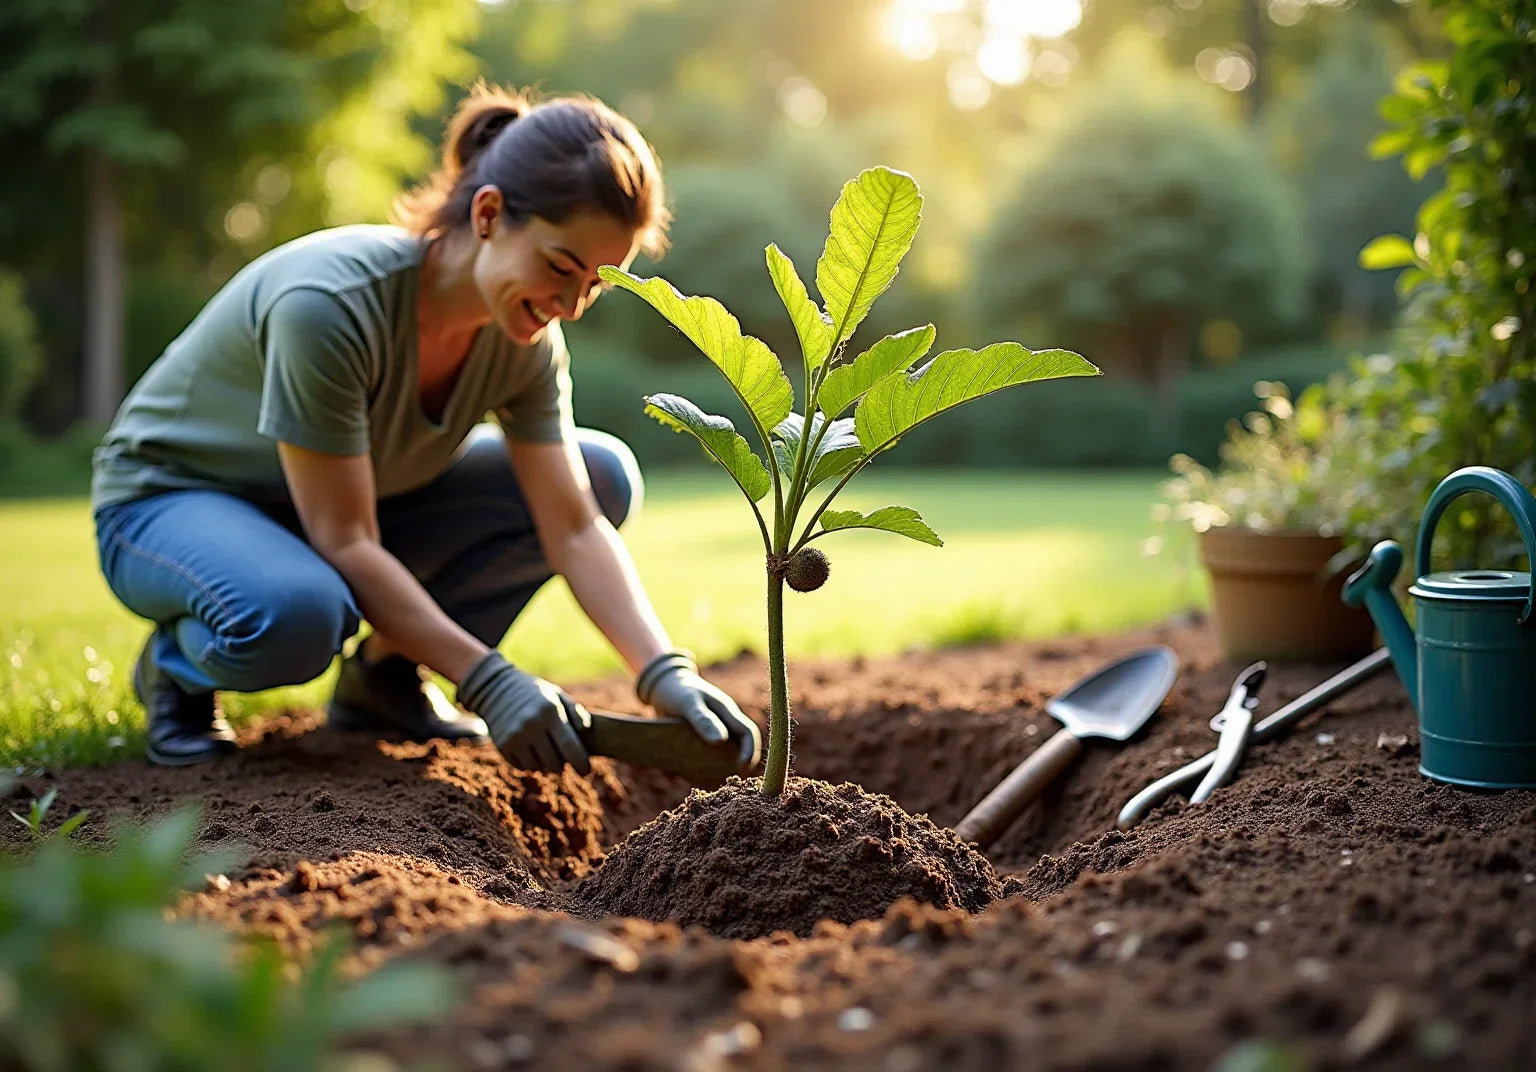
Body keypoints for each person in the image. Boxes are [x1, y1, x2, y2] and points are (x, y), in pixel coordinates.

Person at [90, 83, 760, 776]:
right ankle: (178, 671)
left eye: (593, 283)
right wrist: (488, 678)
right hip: (170, 503)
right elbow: (344, 541)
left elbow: (575, 525)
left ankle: (384, 679)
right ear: (490, 212)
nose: (570, 305)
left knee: (602, 476)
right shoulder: (330, 307)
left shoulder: (524, 342)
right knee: (297, 616)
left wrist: (663, 671)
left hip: (342, 514)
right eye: (560, 266)